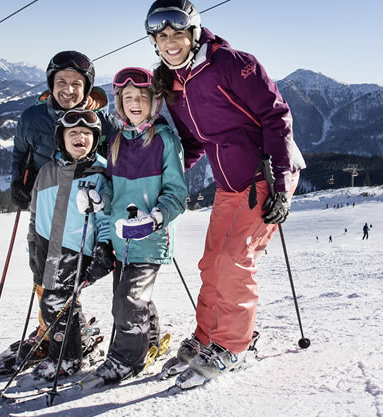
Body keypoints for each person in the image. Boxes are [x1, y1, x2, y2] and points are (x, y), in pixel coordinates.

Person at [146, 0, 306, 388]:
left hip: (264, 174)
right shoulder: (174, 83)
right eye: (161, 36)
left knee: (235, 260)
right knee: (212, 261)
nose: (170, 43)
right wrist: (161, 179)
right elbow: (192, 142)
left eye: (177, 34)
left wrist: (281, 184)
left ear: (194, 33)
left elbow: (276, 115)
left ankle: (236, 345)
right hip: (228, 183)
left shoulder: (231, 63)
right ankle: (208, 337)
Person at [7, 51, 117, 363]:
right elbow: (20, 152)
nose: (68, 89)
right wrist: (17, 182)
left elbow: (122, 154)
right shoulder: (32, 118)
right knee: (42, 273)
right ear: (50, 84)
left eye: (76, 84)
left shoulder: (102, 122)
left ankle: (57, 335)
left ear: (87, 88)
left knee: (64, 279)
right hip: (44, 207)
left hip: (81, 213)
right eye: (61, 82)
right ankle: (54, 329)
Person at [85, 67, 189, 387]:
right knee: (131, 296)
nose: (134, 103)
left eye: (141, 97)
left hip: (149, 238)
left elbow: (177, 194)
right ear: (119, 103)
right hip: (121, 239)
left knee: (128, 301)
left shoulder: (165, 141)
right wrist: (99, 197)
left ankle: (126, 359)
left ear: (153, 102)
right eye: (127, 97)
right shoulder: (117, 140)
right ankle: (152, 338)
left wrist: (156, 218)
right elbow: (113, 189)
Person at [25, 109, 114, 381]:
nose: (80, 137)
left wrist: (104, 247)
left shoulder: (99, 172)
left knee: (57, 303)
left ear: (95, 139)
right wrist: (32, 243)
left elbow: (106, 214)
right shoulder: (46, 172)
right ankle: (75, 344)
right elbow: (34, 213)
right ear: (61, 139)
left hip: (77, 250)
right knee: (53, 303)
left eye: (87, 133)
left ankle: (67, 358)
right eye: (73, 133)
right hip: (45, 247)